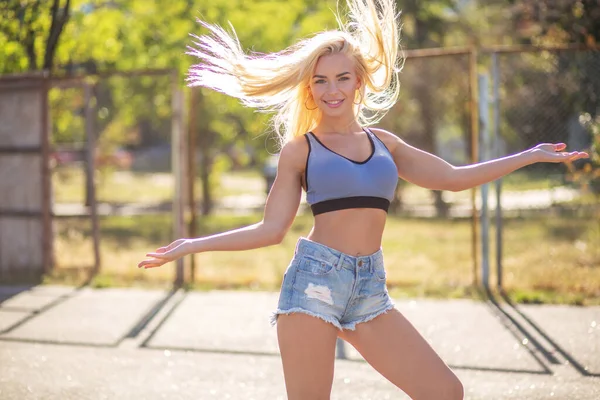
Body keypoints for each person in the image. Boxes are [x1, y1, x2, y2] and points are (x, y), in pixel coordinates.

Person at [137, 0, 589, 398]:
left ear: (359, 83)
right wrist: (192, 244)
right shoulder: (301, 149)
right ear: (309, 89)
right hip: (314, 284)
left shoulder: (385, 144)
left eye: (341, 78)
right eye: (320, 81)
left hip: (369, 288)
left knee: (445, 391)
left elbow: (452, 178)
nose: (331, 90)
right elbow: (270, 230)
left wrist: (529, 156)